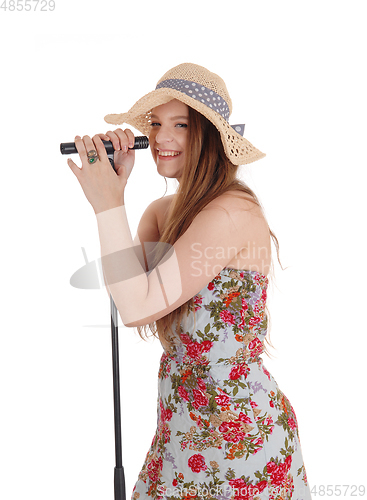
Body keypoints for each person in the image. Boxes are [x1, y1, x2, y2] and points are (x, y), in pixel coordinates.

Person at [68, 63, 312, 500]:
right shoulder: (161, 214)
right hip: (180, 429)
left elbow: (137, 306)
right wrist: (113, 194)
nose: (162, 138)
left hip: (240, 440)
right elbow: (127, 296)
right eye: (156, 124)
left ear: (210, 135)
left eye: (180, 124)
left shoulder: (232, 212)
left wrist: (107, 203)